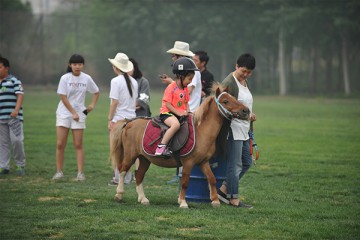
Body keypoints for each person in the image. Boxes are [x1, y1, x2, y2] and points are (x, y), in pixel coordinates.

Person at [217, 53, 256, 208]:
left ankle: (223, 190)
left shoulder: (244, 82)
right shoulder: (228, 83)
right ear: (236, 66)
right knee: (235, 165)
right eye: (243, 71)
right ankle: (233, 199)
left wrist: (249, 116)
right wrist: (246, 116)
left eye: (249, 72)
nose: (245, 75)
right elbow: (221, 107)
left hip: (245, 130)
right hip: (232, 129)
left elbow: (244, 106)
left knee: (247, 162)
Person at [52, 54, 100, 181]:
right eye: (74, 64)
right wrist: (73, 112)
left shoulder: (87, 78)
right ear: (70, 65)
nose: (77, 67)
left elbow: (96, 92)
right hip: (64, 113)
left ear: (83, 65)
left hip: (80, 114)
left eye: (79, 64)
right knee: (60, 144)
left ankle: (80, 174)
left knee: (78, 144)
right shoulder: (65, 78)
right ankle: (59, 172)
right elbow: (63, 97)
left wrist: (91, 105)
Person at [160, 41, 202, 183]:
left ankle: (182, 172)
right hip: (180, 111)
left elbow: (187, 91)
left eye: (174, 56)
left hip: (190, 110)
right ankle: (178, 171)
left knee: (187, 142)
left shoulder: (192, 71)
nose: (172, 58)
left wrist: (172, 83)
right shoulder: (184, 73)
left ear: (180, 56)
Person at [156, 57, 198, 156]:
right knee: (176, 125)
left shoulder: (185, 89)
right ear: (181, 76)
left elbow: (186, 102)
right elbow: (167, 104)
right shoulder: (171, 87)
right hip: (167, 113)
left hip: (179, 114)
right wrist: (179, 113)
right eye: (189, 79)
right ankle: (161, 147)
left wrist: (188, 112)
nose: (190, 82)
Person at [107, 53, 138, 186]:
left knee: (116, 151)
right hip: (132, 120)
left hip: (119, 120)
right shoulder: (134, 81)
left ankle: (117, 178)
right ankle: (128, 177)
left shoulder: (115, 81)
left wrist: (109, 119)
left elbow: (114, 102)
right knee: (129, 151)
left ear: (116, 67)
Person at [0, 57, 26, 175]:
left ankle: (20, 165)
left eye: (0, 67)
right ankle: (4, 166)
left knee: (17, 141)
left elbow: (20, 95)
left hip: (14, 117)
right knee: (3, 143)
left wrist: (16, 110)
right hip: (1, 118)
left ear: (6, 68)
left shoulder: (14, 81)